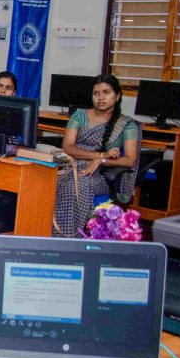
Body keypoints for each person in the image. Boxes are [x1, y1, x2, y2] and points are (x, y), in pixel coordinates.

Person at [52, 74, 139, 238]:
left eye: (106, 92)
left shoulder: (127, 125)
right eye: (96, 93)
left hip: (99, 175)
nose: (100, 97)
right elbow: (68, 146)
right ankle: (41, 233)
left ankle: (68, 237)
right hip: (71, 165)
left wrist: (100, 160)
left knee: (76, 187)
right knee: (46, 181)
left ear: (117, 95)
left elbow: (130, 159)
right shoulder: (79, 115)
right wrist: (97, 154)